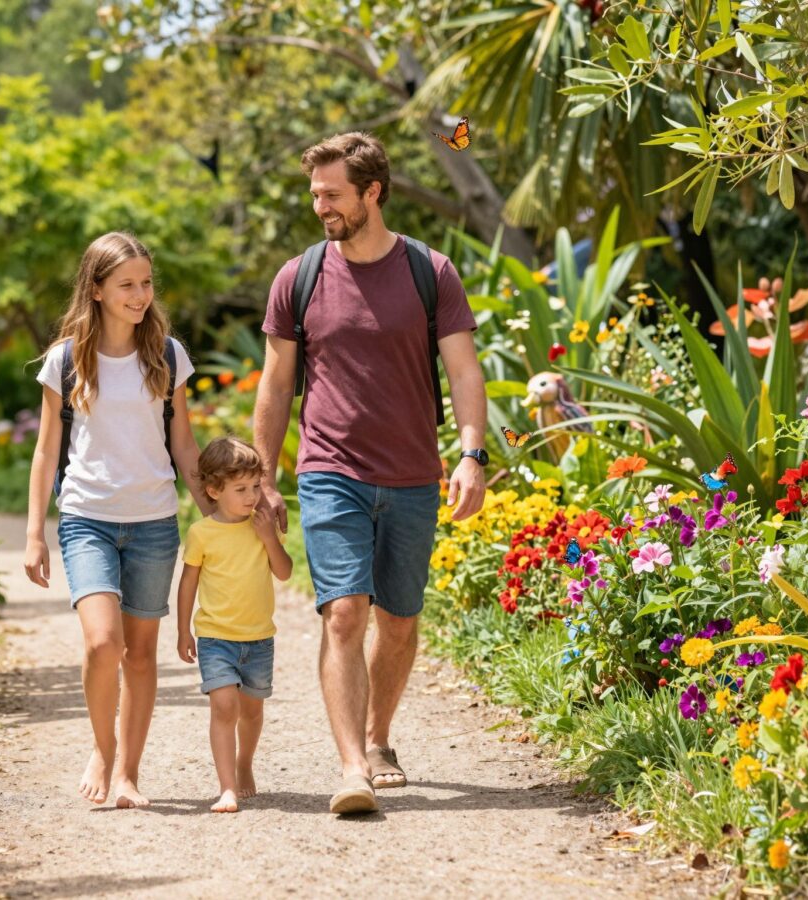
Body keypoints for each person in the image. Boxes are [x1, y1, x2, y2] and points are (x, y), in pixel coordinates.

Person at [253, 132, 487, 814]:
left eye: (332, 194)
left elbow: (464, 371)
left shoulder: (429, 271)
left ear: (372, 192)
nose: (320, 205)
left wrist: (471, 454)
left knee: (402, 621)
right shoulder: (297, 278)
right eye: (315, 194)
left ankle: (380, 737)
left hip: (413, 472)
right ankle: (352, 765)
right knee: (346, 614)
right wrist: (265, 478)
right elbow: (274, 386)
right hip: (330, 469)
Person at [23, 232, 212, 808]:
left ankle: (128, 773)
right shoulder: (65, 360)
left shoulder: (168, 354)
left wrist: (214, 511)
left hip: (154, 520)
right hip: (87, 518)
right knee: (103, 644)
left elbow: (182, 443)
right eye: (127, 284)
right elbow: (45, 450)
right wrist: (34, 533)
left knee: (139, 653)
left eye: (146, 283)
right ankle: (103, 749)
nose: (140, 295)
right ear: (97, 289)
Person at [176, 436, 292, 813]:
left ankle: (244, 764)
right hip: (215, 637)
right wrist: (183, 631)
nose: (251, 496)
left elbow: (285, 572)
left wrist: (268, 537)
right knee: (225, 706)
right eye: (240, 489)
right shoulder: (201, 533)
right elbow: (188, 583)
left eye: (256, 486)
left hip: (259, 638)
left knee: (252, 710)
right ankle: (226, 787)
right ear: (213, 490)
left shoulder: (261, 524)